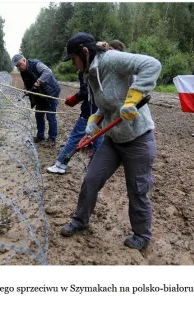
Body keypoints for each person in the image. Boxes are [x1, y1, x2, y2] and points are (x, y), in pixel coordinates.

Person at [59, 32, 161, 250]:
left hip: (138, 139)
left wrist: (133, 98)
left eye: (74, 59)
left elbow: (152, 64)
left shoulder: (111, 60)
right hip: (113, 140)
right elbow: (104, 105)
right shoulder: (89, 74)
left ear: (84, 52)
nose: (75, 65)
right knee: (91, 179)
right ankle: (80, 221)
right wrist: (94, 120)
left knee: (137, 190)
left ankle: (142, 235)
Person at [46, 70, 104, 174]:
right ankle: (94, 168)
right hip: (103, 111)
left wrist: (74, 99)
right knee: (98, 139)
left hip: (90, 111)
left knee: (75, 137)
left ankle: (60, 165)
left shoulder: (85, 71)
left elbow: (85, 91)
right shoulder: (103, 68)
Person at [11, 54, 61, 146]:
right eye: (16, 66)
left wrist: (39, 81)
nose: (18, 68)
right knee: (38, 115)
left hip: (51, 92)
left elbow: (48, 72)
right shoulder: (23, 72)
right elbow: (27, 83)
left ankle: (52, 139)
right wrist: (27, 90)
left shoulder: (36, 64)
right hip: (39, 95)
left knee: (50, 116)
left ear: (24, 60)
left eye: (19, 65)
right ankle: (40, 136)